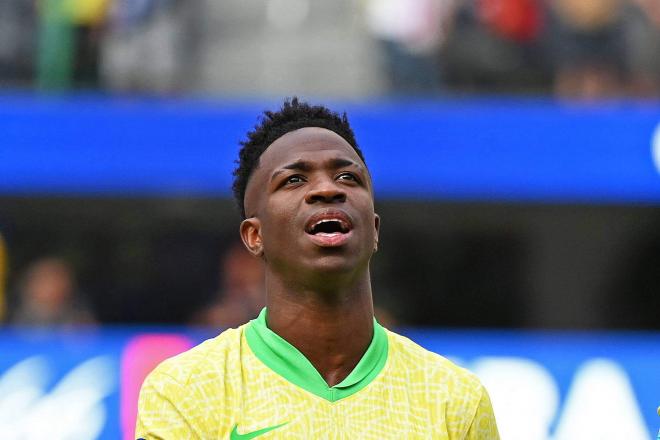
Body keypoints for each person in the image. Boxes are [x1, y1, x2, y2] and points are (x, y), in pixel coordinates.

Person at [135, 98, 499, 439]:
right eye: (293, 180)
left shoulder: (455, 399)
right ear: (254, 236)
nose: (327, 189)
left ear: (374, 230)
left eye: (347, 178)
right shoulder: (186, 391)